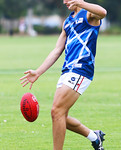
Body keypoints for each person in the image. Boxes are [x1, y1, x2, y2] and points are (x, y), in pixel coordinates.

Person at [20, 0, 107, 149]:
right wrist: (38, 72)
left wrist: (81, 2)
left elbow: (103, 12)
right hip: (67, 71)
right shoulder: (67, 22)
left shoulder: (89, 15)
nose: (64, 1)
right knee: (60, 116)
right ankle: (94, 136)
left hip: (81, 69)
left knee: (57, 111)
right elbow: (56, 50)